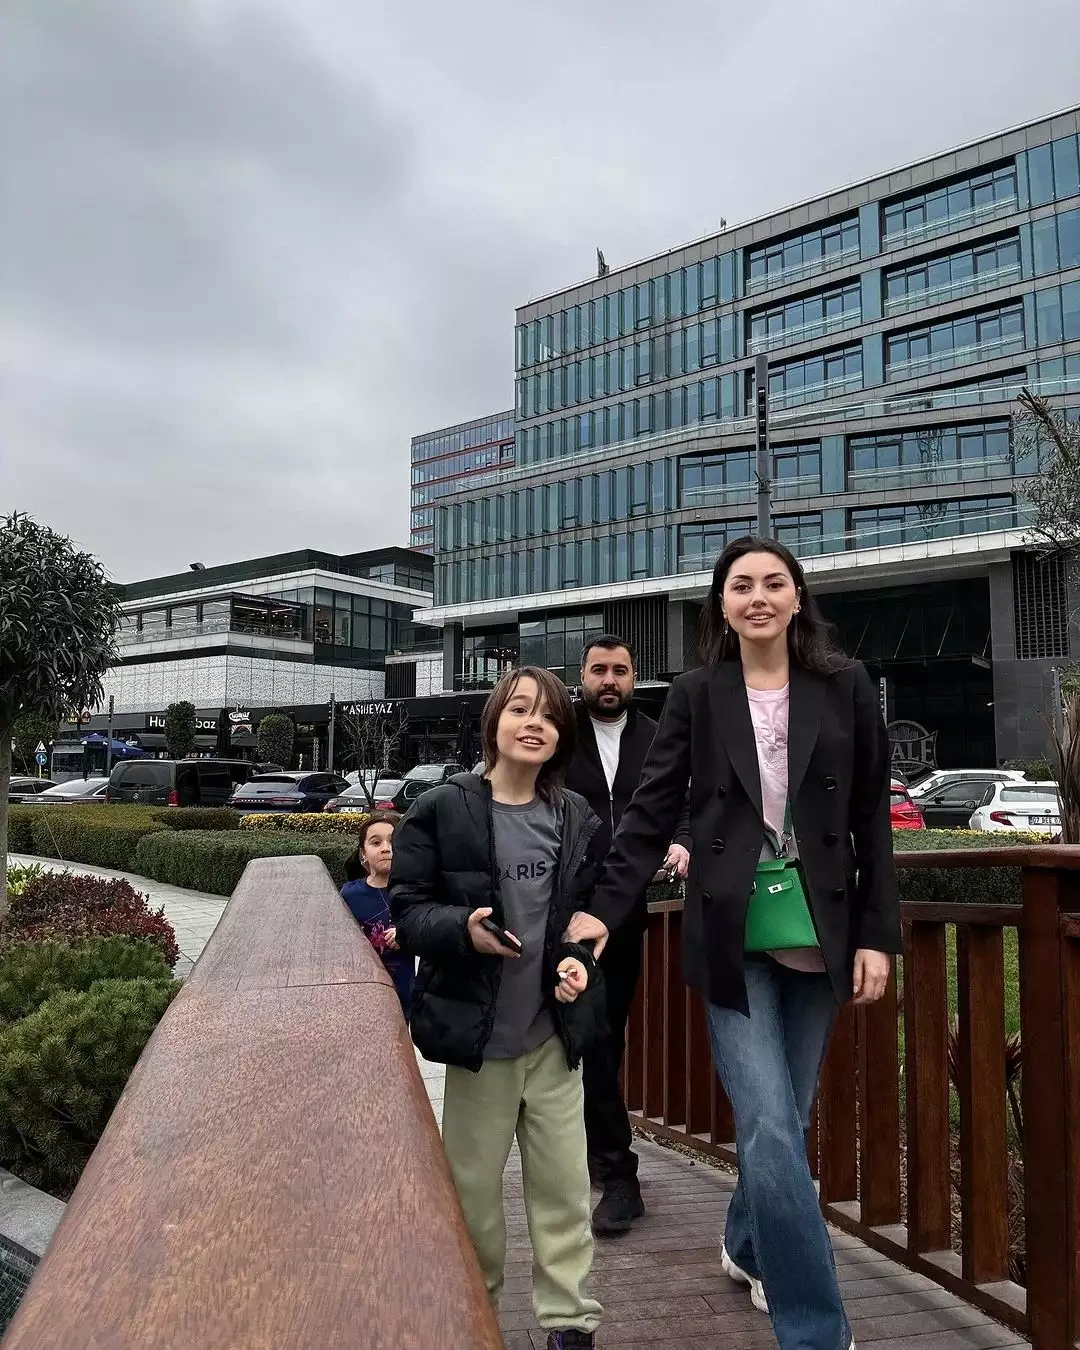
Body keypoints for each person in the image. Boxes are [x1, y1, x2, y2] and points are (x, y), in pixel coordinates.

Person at [569, 536, 900, 1350]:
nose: (758, 597)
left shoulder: (846, 685)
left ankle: (748, 1243)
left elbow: (871, 820)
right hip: (731, 931)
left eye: (773, 583)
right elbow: (651, 812)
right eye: (741, 585)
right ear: (721, 604)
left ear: (796, 598)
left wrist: (877, 935)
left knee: (783, 1119)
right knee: (771, 1126)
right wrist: (603, 911)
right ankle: (814, 1329)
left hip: (820, 929)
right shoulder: (697, 693)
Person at [390, 666, 606, 1350]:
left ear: (561, 735)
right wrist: (463, 930)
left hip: (553, 1039)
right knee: (473, 1196)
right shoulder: (442, 807)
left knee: (565, 1190)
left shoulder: (575, 817)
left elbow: (583, 917)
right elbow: (407, 911)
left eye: (548, 714)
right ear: (494, 722)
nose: (533, 723)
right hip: (479, 1043)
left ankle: (570, 1322)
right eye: (519, 709)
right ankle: (472, 1313)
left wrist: (578, 960)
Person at [565, 633, 692, 1237]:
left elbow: (684, 803)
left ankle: (603, 1156)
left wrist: (683, 841)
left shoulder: (657, 736)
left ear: (634, 677)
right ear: (582, 675)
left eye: (620, 670)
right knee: (583, 1037)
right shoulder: (559, 732)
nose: (609, 680)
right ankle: (619, 1174)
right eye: (599, 670)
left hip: (626, 911)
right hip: (563, 906)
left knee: (605, 1036)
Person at [340, 811, 412, 1016]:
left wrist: (408, 933)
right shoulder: (349, 895)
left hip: (411, 995)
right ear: (363, 853)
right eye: (376, 842)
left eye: (393, 842)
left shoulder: (417, 890)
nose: (386, 848)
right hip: (367, 995)